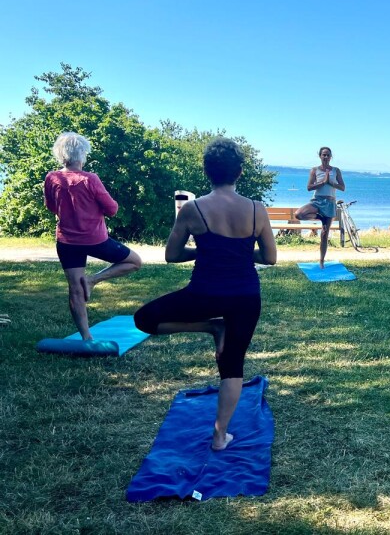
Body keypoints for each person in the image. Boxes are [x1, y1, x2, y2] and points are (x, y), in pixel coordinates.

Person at [134, 138, 277, 451]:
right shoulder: (256, 210)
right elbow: (269, 258)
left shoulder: (192, 209)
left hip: (203, 295)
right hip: (245, 297)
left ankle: (211, 326)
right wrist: (239, 254)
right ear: (239, 172)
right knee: (233, 364)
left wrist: (205, 252)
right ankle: (219, 435)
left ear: (207, 172)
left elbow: (172, 255)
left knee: (143, 319)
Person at [43, 132, 142, 340]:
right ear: (83, 154)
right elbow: (112, 209)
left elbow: (51, 207)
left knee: (75, 289)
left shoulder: (52, 178)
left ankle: (86, 338)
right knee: (134, 262)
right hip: (95, 240)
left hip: (67, 241)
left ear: (60, 154)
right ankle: (93, 280)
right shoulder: (90, 179)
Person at [294, 146, 345, 268]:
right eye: (324, 155)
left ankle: (321, 261)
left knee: (324, 234)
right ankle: (320, 217)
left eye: (328, 155)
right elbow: (309, 187)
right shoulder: (314, 170)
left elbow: (342, 187)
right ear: (320, 156)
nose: (326, 157)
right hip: (317, 201)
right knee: (299, 214)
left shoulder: (336, 170)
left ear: (331, 157)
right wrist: (323, 182)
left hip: (330, 203)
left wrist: (331, 183)